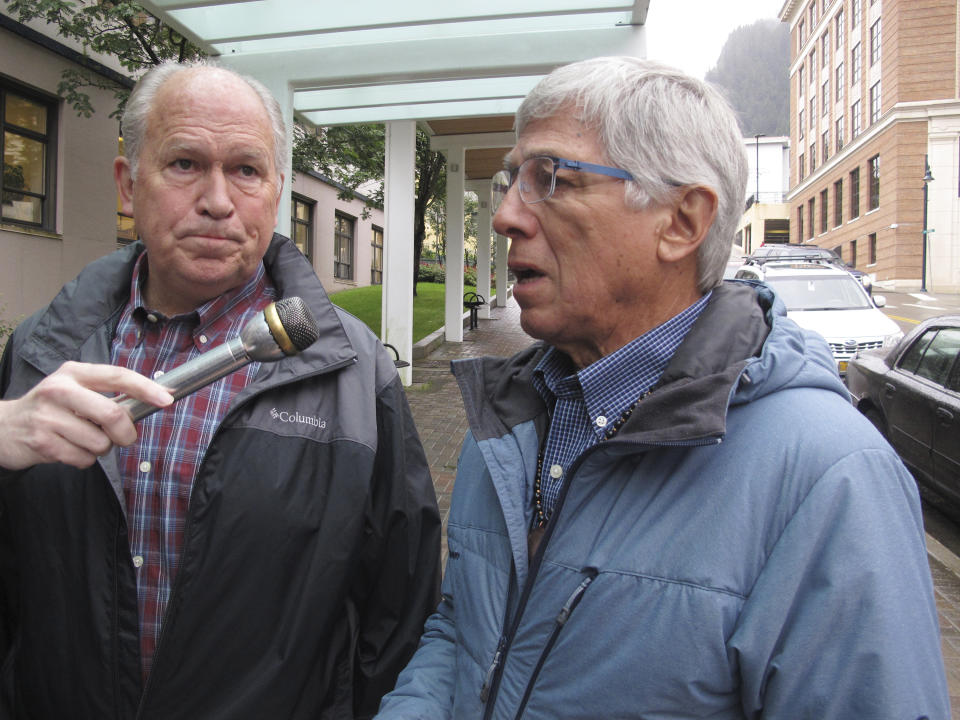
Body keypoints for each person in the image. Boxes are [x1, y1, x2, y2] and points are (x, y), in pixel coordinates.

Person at [375, 57, 950, 719]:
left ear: (680, 221)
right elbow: (464, 627)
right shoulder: (509, 415)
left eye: (551, 178)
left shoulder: (832, 476)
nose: (505, 215)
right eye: (512, 180)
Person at [0, 61, 441, 719]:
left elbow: (399, 611)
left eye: (246, 170)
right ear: (128, 185)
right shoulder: (38, 353)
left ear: (277, 189)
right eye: (184, 163)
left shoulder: (356, 372)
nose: (217, 200)